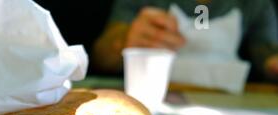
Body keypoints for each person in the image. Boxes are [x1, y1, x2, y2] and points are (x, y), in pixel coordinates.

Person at [93, 0, 278, 81]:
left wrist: (272, 63)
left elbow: (267, 51)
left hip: (230, 105)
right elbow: (100, 58)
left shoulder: (256, 4)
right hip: (155, 100)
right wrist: (125, 40)